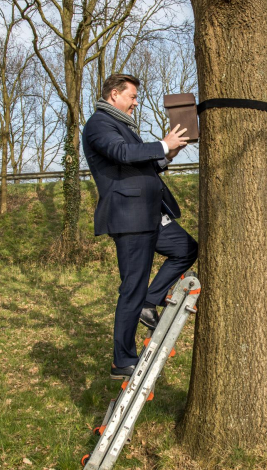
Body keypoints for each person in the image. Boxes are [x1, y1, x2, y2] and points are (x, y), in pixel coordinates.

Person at [82, 74, 198, 379]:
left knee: (186, 248)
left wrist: (168, 151)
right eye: (132, 96)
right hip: (129, 217)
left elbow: (138, 163)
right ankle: (122, 360)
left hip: (150, 213)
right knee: (131, 288)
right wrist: (161, 143)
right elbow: (122, 154)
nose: (136, 102)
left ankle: (151, 300)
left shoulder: (122, 126)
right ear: (114, 95)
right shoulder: (99, 124)